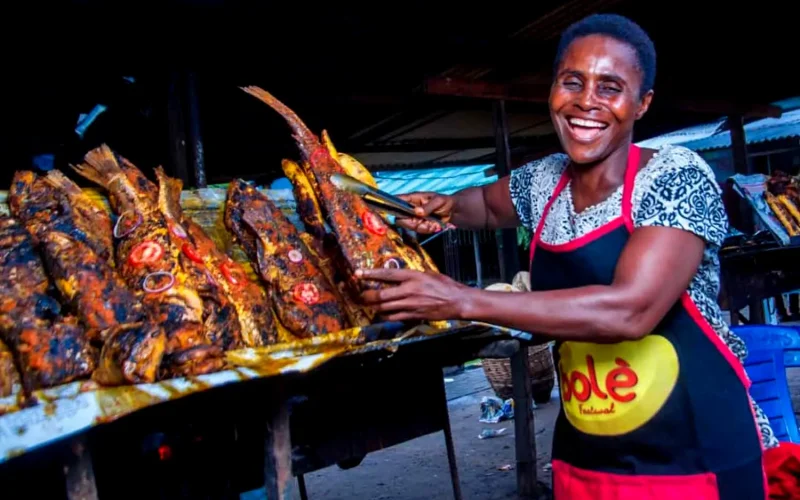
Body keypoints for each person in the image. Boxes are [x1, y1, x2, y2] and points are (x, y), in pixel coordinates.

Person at [357, 13, 776, 499]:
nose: (586, 102)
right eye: (571, 82)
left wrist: (461, 300)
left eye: (610, 87)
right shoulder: (544, 181)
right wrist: (444, 206)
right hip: (589, 454)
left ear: (643, 104)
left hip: (695, 454)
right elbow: (488, 207)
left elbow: (630, 310)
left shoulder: (674, 176)